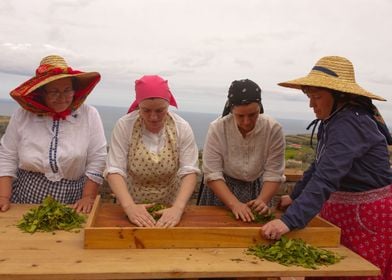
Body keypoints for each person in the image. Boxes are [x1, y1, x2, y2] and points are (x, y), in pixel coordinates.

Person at [261, 56, 392, 280]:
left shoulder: (350, 123)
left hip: (366, 216)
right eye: (310, 96)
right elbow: (318, 166)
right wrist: (295, 197)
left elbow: (326, 177)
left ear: (339, 95)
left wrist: (288, 221)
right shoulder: (333, 120)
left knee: (357, 273)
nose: (312, 104)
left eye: (317, 96)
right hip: (345, 212)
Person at [0, 55, 107, 214]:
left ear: (74, 90)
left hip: (73, 199)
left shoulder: (89, 114)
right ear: (41, 92)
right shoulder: (22, 115)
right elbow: (7, 156)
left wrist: (88, 197)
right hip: (26, 195)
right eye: (54, 91)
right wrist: (3, 197)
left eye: (67, 90)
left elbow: (97, 157)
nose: (62, 98)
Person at [104, 75, 200, 228]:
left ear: (168, 105)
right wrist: (130, 207)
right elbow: (114, 169)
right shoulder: (125, 126)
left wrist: (177, 208)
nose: (153, 117)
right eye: (146, 110)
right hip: (131, 203)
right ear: (138, 105)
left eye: (160, 110)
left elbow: (189, 170)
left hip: (171, 205)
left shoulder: (181, 127)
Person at [198, 79, 286, 222]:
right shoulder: (218, 128)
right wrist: (234, 204)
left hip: (257, 191)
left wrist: (262, 201)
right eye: (240, 116)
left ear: (260, 108)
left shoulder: (273, 129)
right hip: (222, 191)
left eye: (253, 114)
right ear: (231, 110)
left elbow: (274, 172)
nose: (246, 122)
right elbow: (212, 172)